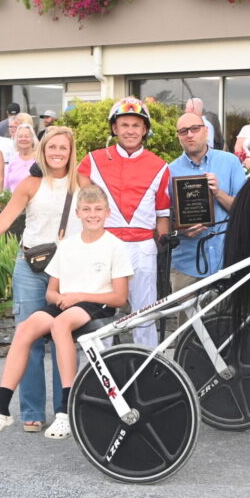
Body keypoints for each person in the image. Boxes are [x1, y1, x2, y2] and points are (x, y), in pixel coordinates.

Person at [0, 184, 132, 440]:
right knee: (26, 327)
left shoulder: (115, 246)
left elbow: (120, 296)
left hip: (97, 302)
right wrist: (60, 298)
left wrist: (79, 297)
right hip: (67, 302)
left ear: (107, 212)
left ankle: (65, 410)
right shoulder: (67, 245)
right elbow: (51, 293)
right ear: (78, 213)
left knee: (60, 326)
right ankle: (0, 407)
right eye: (87, 209)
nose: (93, 214)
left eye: (98, 209)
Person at [0, 126, 81, 433]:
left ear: (70, 151)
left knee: (66, 340)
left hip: (67, 272)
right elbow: (4, 221)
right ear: (43, 150)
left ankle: (67, 409)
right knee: (30, 338)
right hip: (31, 268)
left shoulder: (82, 184)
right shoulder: (30, 184)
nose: (57, 153)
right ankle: (32, 411)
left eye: (63, 148)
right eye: (52, 148)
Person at [78, 97, 171, 347]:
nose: (130, 130)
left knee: (145, 315)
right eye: (125, 125)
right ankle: (98, 375)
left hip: (143, 249)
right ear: (114, 128)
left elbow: (163, 214)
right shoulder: (93, 160)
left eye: (136, 125)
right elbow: (76, 200)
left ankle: (149, 368)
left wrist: (163, 244)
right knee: (100, 313)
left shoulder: (160, 166)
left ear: (144, 130)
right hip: (105, 246)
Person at [169, 113, 247, 290]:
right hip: (187, 264)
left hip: (226, 260)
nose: (189, 134)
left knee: (225, 317)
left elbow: (244, 211)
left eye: (195, 129)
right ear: (178, 136)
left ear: (205, 131)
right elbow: (163, 219)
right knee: (187, 318)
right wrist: (180, 228)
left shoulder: (230, 162)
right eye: (183, 131)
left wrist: (218, 193)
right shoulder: (169, 171)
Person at [3, 123, 38, 193]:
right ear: (16, 139)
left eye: (27, 136)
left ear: (32, 139)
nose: (23, 139)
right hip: (14, 201)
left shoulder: (39, 160)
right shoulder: (13, 159)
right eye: (20, 136)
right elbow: (6, 186)